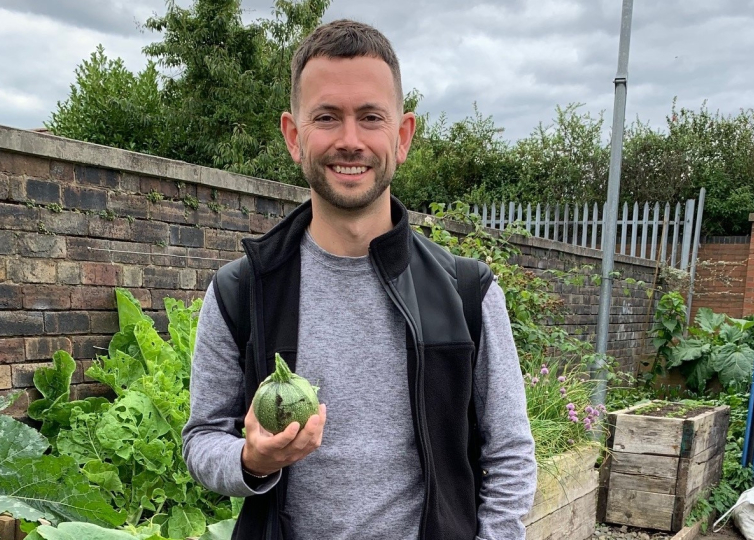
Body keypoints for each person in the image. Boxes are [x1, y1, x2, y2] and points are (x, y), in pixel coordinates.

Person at [182, 19, 537, 540]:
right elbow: (201, 440)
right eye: (326, 117)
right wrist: (252, 459)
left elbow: (509, 453)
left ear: (403, 134)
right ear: (293, 135)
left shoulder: (466, 293)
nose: (350, 141)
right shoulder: (243, 292)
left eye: (370, 117)